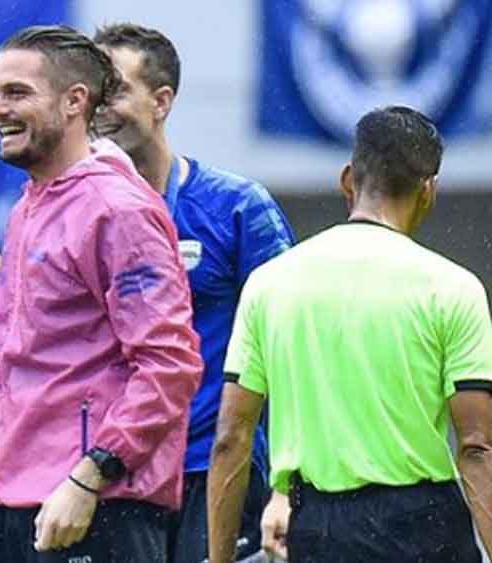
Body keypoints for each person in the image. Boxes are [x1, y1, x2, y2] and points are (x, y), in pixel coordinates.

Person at [0, 25, 201, 563]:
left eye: (17, 93)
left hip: (93, 506)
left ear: (75, 101)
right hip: (11, 500)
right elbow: (33, 336)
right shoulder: (30, 204)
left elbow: (170, 363)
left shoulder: (118, 208)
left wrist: (91, 475)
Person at [206, 106, 492, 562]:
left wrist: (220, 558)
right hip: (426, 528)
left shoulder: (269, 284)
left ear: (347, 180)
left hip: (319, 529)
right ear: (428, 190)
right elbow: (476, 449)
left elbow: (231, 438)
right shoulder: (453, 289)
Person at [92, 23, 295, 562]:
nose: (99, 107)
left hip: (214, 470)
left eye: (115, 90)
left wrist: (288, 482)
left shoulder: (236, 207)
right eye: (91, 92)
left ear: (161, 101)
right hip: (115, 476)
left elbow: (291, 348)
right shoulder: (75, 215)